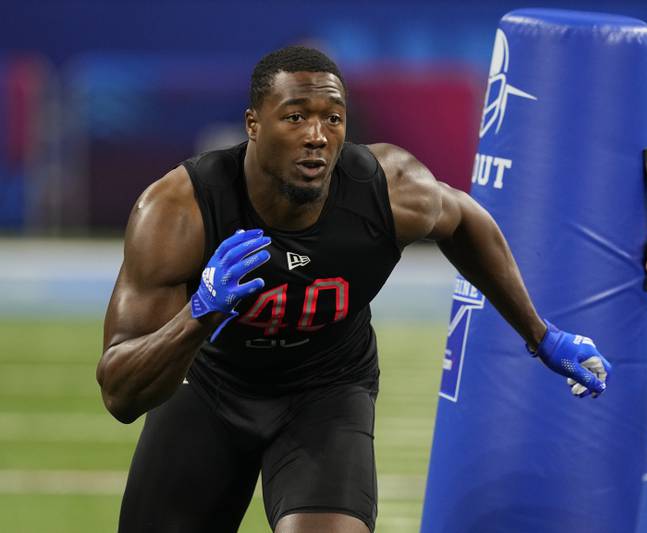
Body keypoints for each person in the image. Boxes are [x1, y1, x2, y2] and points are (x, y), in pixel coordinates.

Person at [97, 46, 612, 533]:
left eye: (333, 117)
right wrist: (200, 314)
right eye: (295, 116)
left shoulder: (387, 189)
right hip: (211, 386)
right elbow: (119, 393)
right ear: (253, 124)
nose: (317, 135)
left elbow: (466, 223)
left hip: (326, 390)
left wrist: (539, 335)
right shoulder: (179, 210)